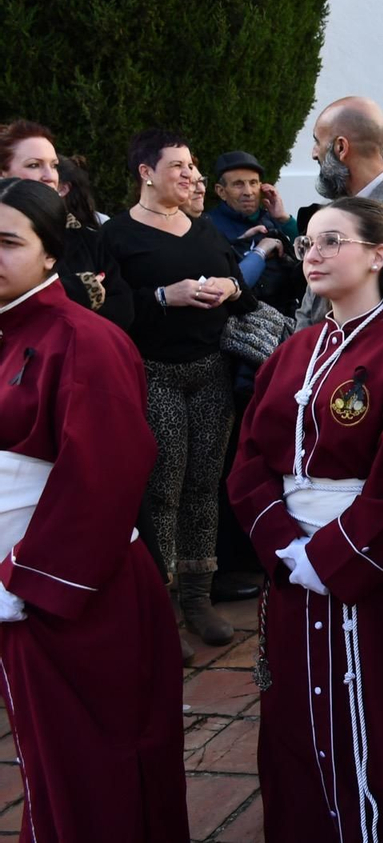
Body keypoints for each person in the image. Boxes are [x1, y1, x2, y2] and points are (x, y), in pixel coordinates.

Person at [228, 197, 383, 842]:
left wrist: (333, 557)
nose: (314, 254)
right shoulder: (294, 348)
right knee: (300, 718)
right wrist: (284, 546)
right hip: (296, 569)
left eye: (332, 241)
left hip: (380, 573)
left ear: (378, 255)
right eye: (307, 243)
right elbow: (248, 459)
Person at [0, 178, 189, 841]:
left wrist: (32, 580)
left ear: (51, 253)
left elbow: (105, 474)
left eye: (6, 242)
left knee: (95, 763)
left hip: (73, 588)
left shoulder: (86, 339)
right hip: (19, 580)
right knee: (47, 758)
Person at [101, 129, 256, 650]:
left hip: (209, 369)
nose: (191, 174)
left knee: (203, 484)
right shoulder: (118, 236)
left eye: (192, 165)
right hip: (154, 371)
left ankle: (197, 598)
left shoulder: (205, 228)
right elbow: (111, 311)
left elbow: (242, 290)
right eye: (178, 166)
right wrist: (166, 296)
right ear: (146, 173)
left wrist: (230, 288)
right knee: (162, 487)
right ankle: (160, 606)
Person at [298, 96, 383, 329]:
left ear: (341, 148)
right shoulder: (338, 209)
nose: (313, 153)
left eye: (317, 142)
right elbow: (310, 307)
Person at [0, 120, 132, 326]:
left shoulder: (88, 240)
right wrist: (72, 292)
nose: (49, 176)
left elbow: (123, 312)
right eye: (34, 165)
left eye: (53, 166)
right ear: (3, 174)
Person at [207, 150, 304, 317]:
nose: (248, 191)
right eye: (238, 184)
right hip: (243, 324)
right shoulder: (209, 226)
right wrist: (258, 251)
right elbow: (229, 284)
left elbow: (308, 251)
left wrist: (284, 219)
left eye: (253, 183)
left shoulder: (271, 218)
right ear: (221, 191)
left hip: (288, 317)